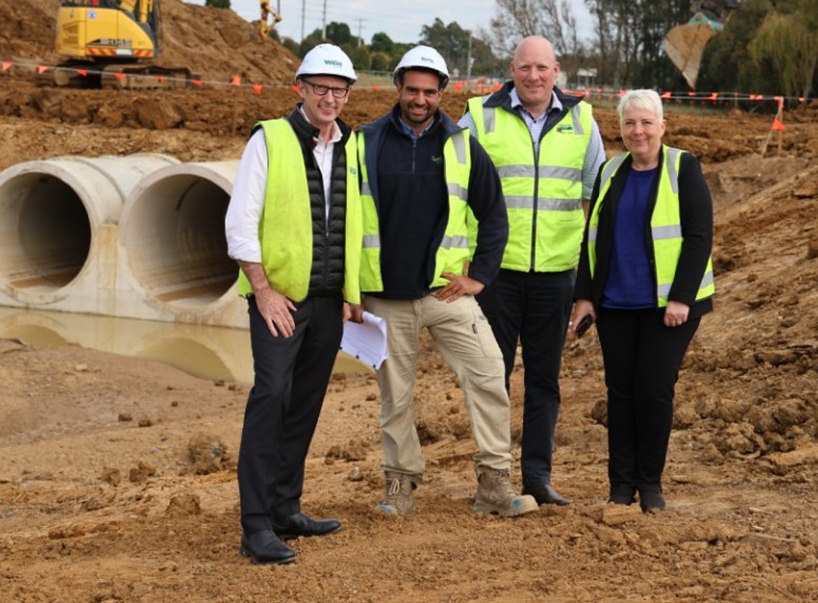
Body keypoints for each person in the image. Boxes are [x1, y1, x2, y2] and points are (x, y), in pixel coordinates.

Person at [357, 45, 537, 519]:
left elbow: (494, 213)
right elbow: (344, 219)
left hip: (445, 291)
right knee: (396, 394)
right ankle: (400, 485)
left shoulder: (461, 145)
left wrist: (479, 276)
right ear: (398, 87)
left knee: (487, 371)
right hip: (385, 295)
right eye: (412, 89)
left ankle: (494, 483)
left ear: (443, 93)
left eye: (429, 92)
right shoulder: (365, 142)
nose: (420, 99)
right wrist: (348, 290)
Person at [225, 43, 363, 565]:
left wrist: (352, 294)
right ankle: (255, 526)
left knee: (304, 404)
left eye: (339, 89)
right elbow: (240, 223)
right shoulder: (270, 139)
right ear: (299, 89)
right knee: (271, 397)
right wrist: (262, 290)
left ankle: (286, 509)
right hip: (279, 300)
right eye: (321, 88)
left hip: (328, 302)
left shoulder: (351, 147)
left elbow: (354, 224)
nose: (330, 97)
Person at [459, 35, 604, 507]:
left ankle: (537, 478)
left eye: (543, 68)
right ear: (512, 68)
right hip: (496, 275)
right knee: (491, 377)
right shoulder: (480, 116)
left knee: (544, 380)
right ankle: (494, 478)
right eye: (526, 68)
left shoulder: (582, 120)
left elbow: (593, 204)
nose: (534, 76)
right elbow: (453, 190)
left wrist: (587, 284)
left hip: (555, 275)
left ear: (556, 70)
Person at [568, 88, 714, 513]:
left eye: (647, 122)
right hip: (615, 306)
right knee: (621, 394)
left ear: (662, 127)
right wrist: (584, 297)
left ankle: (650, 485)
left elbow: (699, 237)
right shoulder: (610, 172)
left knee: (653, 392)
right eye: (630, 123)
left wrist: (681, 298)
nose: (638, 131)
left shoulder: (683, 167)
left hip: (668, 310)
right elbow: (591, 238)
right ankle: (620, 486)